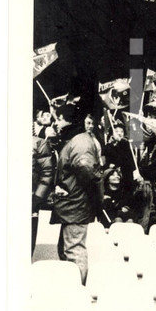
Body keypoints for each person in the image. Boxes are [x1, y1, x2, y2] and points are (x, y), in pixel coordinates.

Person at [51, 104, 104, 283]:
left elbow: (85, 168)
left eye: (59, 118)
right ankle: (73, 288)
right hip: (74, 205)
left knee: (73, 251)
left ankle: (78, 290)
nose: (56, 122)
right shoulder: (78, 139)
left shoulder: (79, 141)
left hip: (75, 205)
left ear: (69, 120)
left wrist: (83, 195)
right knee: (68, 250)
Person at [32, 125, 56, 256]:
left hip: (31, 200)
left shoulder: (39, 143)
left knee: (27, 240)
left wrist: (37, 197)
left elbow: (47, 173)